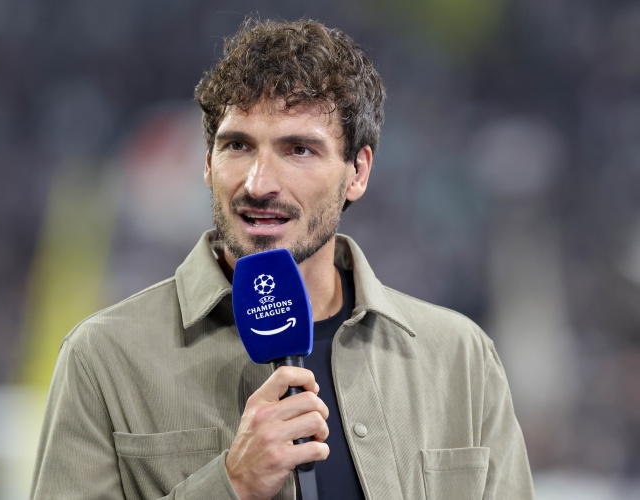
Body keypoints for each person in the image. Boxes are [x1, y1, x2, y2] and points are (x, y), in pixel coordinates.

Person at [31, 17, 534, 500]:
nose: (259, 183)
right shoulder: (103, 359)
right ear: (207, 164)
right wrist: (230, 485)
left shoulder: (460, 358)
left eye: (299, 150)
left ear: (357, 172)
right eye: (238, 146)